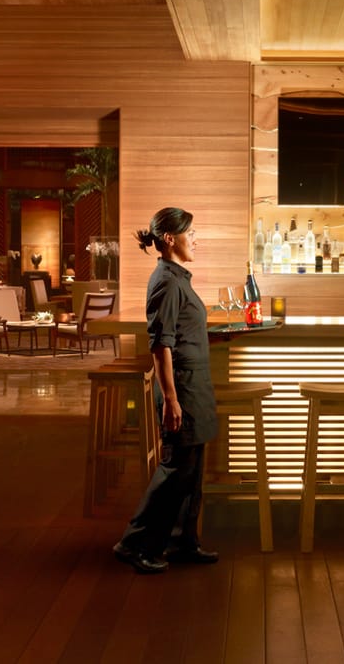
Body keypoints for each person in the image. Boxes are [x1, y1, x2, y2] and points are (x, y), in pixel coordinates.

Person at [112, 207, 219, 574]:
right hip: (182, 389)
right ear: (171, 239)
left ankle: (181, 541)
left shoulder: (177, 279)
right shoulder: (167, 282)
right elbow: (160, 345)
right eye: (192, 232)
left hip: (194, 384)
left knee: (191, 471)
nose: (197, 239)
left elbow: (181, 332)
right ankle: (134, 543)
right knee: (175, 470)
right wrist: (170, 398)